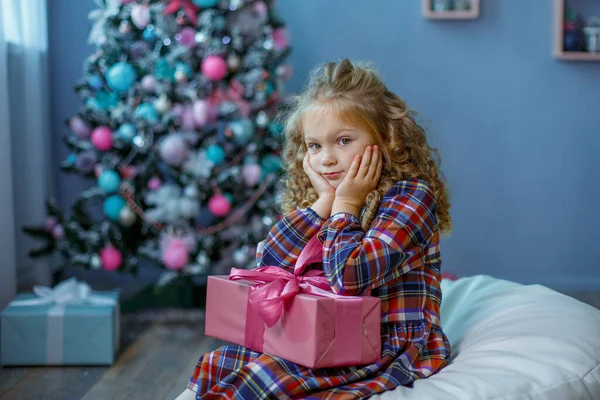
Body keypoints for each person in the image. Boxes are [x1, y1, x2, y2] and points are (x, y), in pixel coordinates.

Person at [177, 58, 452, 400]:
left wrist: (346, 207)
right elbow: (271, 262)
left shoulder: (410, 197)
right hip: (331, 333)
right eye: (315, 145)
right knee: (221, 363)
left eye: (344, 141)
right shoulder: (327, 196)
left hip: (389, 343)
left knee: (263, 377)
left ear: (385, 138)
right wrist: (323, 203)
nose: (327, 159)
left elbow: (348, 277)